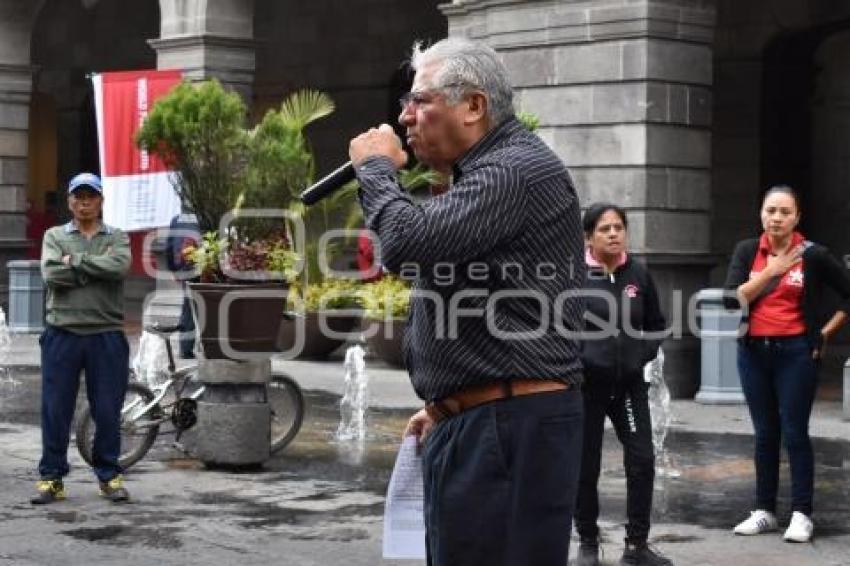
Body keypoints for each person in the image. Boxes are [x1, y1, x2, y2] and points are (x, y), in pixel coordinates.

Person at [349, 38, 586, 565]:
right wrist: (447, 403)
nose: (404, 117)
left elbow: (407, 244)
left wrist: (376, 170)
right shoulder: (487, 173)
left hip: (511, 425)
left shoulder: (514, 171)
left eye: (418, 100)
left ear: (474, 106)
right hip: (489, 417)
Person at [724, 185, 850, 542]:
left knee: (794, 433)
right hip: (753, 353)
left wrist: (824, 334)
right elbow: (732, 301)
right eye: (770, 211)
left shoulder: (814, 256)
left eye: (784, 212)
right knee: (765, 434)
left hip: (796, 353)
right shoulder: (748, 251)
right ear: (761, 213)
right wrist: (770, 271)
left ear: (797, 217)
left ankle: (801, 513)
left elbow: (848, 295)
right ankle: (764, 511)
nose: (776, 218)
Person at [574, 203, 671, 566]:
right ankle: (587, 542)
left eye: (618, 227)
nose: (613, 234)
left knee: (642, 460)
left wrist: (639, 355)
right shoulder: (575, 276)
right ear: (588, 237)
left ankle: (636, 546)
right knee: (586, 465)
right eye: (604, 229)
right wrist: (582, 360)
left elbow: (657, 324)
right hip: (587, 388)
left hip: (629, 387)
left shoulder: (638, 275)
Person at [31, 172, 133, 505]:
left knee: (107, 411)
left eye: (91, 196)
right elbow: (51, 274)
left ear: (101, 201)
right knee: (55, 409)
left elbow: (118, 267)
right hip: (63, 333)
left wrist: (75, 261)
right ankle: (52, 477)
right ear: (70, 201)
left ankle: (109, 475)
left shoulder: (116, 237)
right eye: (79, 196)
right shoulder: (54, 235)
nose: (84, 202)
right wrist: (93, 268)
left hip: (106, 334)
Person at [165, 211, 200, 358]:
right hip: (203, 263)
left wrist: (173, 268)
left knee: (188, 306)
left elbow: (169, 245)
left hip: (184, 265)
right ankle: (207, 346)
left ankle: (186, 349)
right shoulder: (203, 215)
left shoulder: (176, 219)